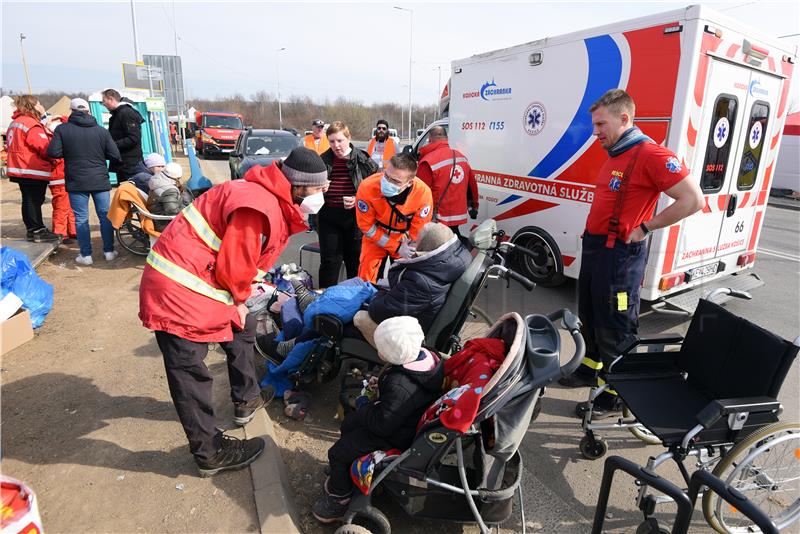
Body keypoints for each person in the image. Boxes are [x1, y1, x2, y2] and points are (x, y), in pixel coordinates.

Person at [138, 146, 329, 477]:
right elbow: (235, 266)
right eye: (318, 190)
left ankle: (247, 398)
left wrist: (242, 303)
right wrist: (240, 299)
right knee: (190, 372)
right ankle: (209, 452)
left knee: (246, 325)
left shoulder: (267, 197)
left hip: (198, 281)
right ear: (298, 187)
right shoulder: (258, 205)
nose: (321, 196)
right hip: (179, 290)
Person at [558, 89, 704, 417]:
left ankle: (616, 394)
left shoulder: (650, 155)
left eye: (600, 124)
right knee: (591, 317)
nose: (595, 132)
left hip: (620, 258)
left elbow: (693, 200)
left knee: (616, 326)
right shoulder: (617, 154)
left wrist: (646, 227)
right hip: (597, 251)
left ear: (624, 119)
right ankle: (589, 369)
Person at [312, 316, 443, 523]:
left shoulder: (401, 386)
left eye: (381, 350)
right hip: (400, 420)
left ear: (393, 355)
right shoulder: (425, 357)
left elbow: (383, 423)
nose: (379, 352)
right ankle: (344, 471)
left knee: (337, 453)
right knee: (348, 424)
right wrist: (382, 386)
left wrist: (365, 405)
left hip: (394, 435)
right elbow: (397, 388)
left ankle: (340, 498)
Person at [355, 222, 472, 344]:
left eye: (416, 243)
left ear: (425, 247)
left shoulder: (421, 281)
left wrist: (376, 296)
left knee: (359, 317)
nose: (413, 244)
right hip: (423, 318)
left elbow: (379, 312)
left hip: (411, 338)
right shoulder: (454, 260)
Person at [47, 98, 122, 265]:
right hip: (100, 179)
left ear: (71, 111)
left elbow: (53, 152)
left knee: (81, 218)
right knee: (105, 216)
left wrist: (70, 152)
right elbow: (115, 154)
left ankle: (86, 255)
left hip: (76, 180)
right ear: (88, 111)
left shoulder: (62, 129)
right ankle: (109, 251)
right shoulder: (101, 131)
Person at [317, 121, 379, 287]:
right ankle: (325, 300)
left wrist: (358, 198)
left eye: (340, 140)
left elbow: (377, 190)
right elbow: (307, 193)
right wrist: (319, 189)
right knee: (330, 262)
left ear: (348, 138)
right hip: (329, 216)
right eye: (332, 141)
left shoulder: (363, 160)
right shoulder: (323, 160)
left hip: (356, 218)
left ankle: (354, 299)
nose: (336, 146)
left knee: (355, 261)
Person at [355, 153, 433, 283]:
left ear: (409, 183)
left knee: (402, 280)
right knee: (366, 277)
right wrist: (395, 246)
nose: (388, 182)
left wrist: (409, 248)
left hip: (404, 240)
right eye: (386, 176)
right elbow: (366, 226)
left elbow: (418, 231)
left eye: (396, 181)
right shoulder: (367, 187)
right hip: (375, 237)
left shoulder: (422, 194)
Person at [6, 95, 62, 243]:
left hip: (19, 168)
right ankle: (38, 230)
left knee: (28, 200)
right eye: (39, 104)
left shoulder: (15, 122)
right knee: (34, 200)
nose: (41, 106)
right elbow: (44, 148)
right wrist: (55, 158)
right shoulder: (31, 124)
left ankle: (32, 229)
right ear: (33, 106)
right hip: (31, 169)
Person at [416, 126, 479, 244]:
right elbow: (472, 186)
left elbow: (419, 194)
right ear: (446, 138)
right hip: (458, 215)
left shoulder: (427, 161)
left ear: (430, 139)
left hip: (437, 217)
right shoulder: (461, 157)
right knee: (454, 243)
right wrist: (474, 207)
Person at [101, 88, 146, 183]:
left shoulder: (126, 113)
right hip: (122, 163)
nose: (103, 104)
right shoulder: (117, 115)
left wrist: (112, 145)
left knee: (133, 194)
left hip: (131, 164)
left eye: (104, 101)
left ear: (111, 99)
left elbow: (134, 138)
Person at [45, 116, 77, 242]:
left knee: (70, 207)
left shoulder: (58, 138)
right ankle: (60, 234)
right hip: (59, 179)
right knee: (61, 208)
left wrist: (60, 118)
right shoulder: (52, 143)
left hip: (66, 178)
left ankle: (72, 231)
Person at [146, 162, 188, 231]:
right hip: (164, 223)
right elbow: (173, 211)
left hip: (157, 215)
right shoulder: (170, 190)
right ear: (177, 177)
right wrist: (189, 210)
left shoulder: (156, 179)